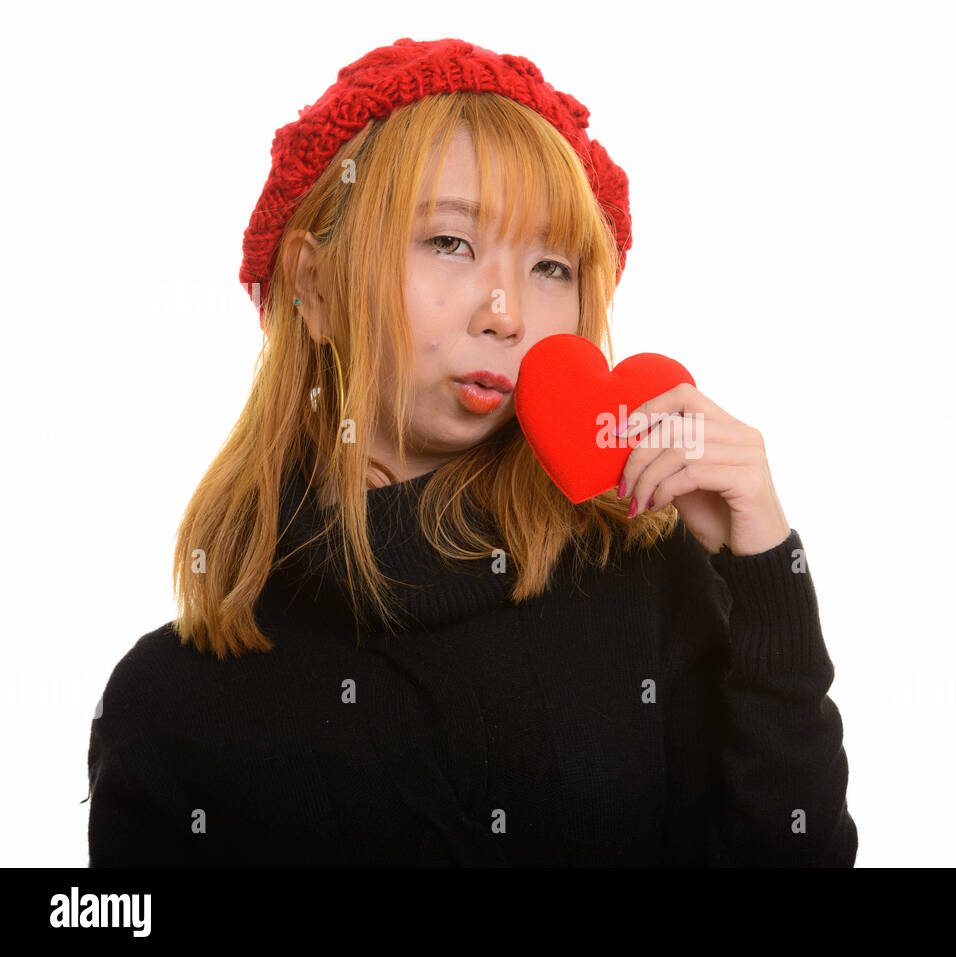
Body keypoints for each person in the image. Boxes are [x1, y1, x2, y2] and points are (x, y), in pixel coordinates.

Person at [86, 37, 857, 867]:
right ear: (313, 284)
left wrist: (765, 578)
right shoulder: (167, 704)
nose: (507, 313)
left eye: (551, 264)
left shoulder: (654, 586)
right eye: (450, 242)